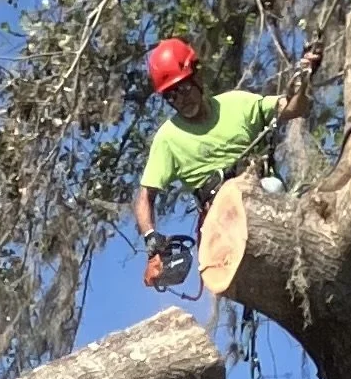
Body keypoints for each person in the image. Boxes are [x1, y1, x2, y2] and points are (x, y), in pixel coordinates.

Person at [133, 37, 317, 284]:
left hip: (265, 198)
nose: (181, 100)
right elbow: (146, 196)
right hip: (220, 222)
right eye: (172, 96)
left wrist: (306, 76)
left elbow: (293, 108)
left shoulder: (237, 104)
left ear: (197, 76)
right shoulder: (167, 138)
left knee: (279, 189)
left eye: (183, 89)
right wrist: (150, 236)